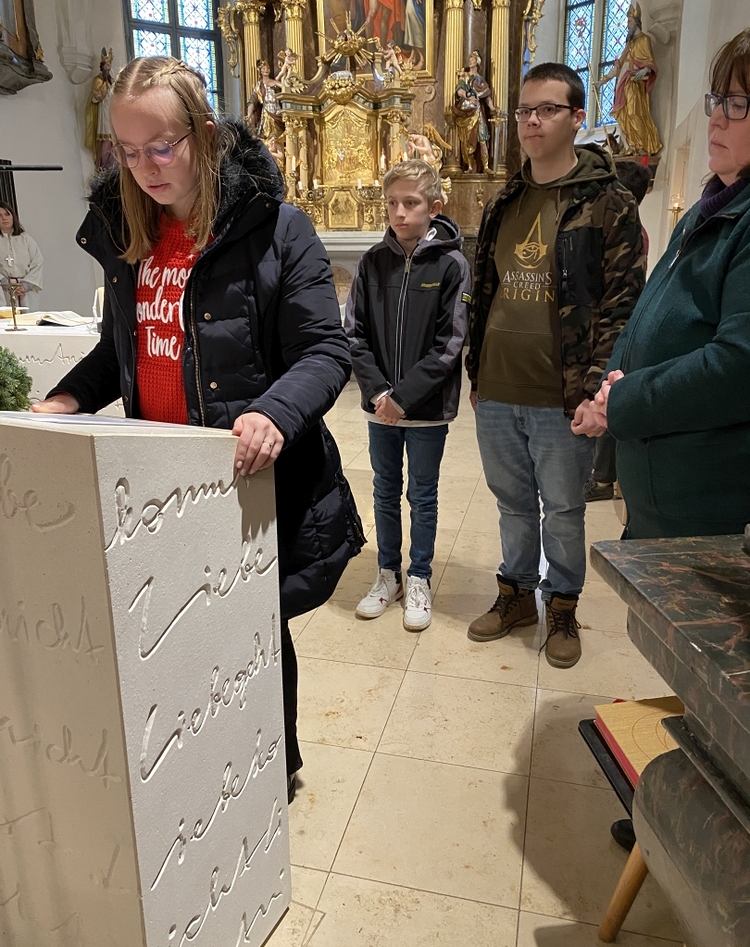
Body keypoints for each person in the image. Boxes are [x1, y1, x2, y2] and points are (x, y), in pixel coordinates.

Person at [30, 56, 364, 803]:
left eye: (161, 147)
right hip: (160, 486)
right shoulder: (128, 233)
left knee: (251, 636)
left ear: (205, 134)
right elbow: (123, 347)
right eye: (126, 151)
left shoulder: (276, 229)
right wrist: (67, 399)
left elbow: (325, 351)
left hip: (243, 483)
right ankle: (197, 775)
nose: (144, 168)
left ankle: (270, 771)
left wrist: (273, 412)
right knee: (176, 644)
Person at [465, 62, 645, 669]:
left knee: (564, 510)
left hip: (564, 393)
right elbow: (484, 292)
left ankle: (563, 605)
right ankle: (516, 594)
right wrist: (476, 373)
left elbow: (622, 305)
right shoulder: (505, 200)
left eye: (546, 109)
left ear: (577, 117)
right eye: (524, 111)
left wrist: (596, 388)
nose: (531, 121)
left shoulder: (608, 202)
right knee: (511, 503)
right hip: (498, 389)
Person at [582, 28, 750, 542]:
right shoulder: (704, 211)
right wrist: (609, 386)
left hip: (707, 513)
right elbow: (645, 317)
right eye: (717, 100)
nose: (716, 118)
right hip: (660, 505)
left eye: (738, 104)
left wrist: (624, 400)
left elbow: (738, 367)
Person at [344, 160, 471, 631]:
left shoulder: (452, 265)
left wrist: (403, 397)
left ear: (434, 207)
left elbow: (450, 344)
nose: (399, 213)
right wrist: (380, 391)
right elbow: (354, 334)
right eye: (392, 203)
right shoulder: (372, 262)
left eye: (411, 203)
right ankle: (388, 574)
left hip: (426, 409)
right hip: (381, 407)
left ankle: (419, 576)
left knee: (422, 494)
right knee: (383, 489)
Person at [585, 158, 652, 503]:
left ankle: (601, 478)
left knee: (607, 396)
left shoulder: (628, 230)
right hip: (606, 328)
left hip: (612, 330)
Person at [599, 3, 662, 156]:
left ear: (636, 22)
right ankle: (632, 146)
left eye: (629, 21)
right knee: (626, 114)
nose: (627, 25)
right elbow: (619, 64)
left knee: (635, 113)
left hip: (636, 83)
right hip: (625, 83)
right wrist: (602, 81)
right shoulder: (630, 43)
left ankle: (642, 145)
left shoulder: (644, 40)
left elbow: (649, 61)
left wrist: (646, 69)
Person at [0, 200, 43, 310]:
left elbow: (37, 261)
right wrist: (5, 282)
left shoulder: (25, 239)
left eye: (7, 214)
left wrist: (26, 284)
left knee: (29, 317)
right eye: (0, 216)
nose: (4, 218)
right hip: (3, 290)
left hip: (26, 291)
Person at [85, 47, 116, 171]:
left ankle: (112, 166)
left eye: (109, 65)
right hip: (103, 113)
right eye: (106, 65)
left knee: (114, 140)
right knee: (106, 140)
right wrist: (98, 95)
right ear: (102, 66)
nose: (108, 67)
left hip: (112, 112)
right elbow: (94, 99)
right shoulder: (98, 80)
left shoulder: (112, 81)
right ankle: (103, 166)